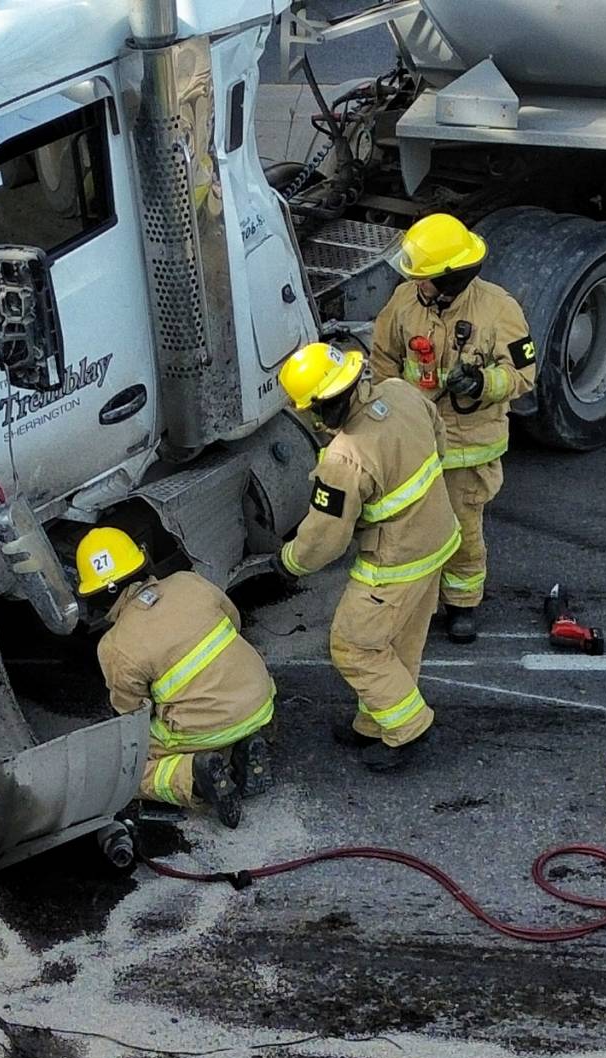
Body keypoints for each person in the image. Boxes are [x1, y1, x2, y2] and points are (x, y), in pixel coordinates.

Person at [273, 341, 459, 771]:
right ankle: (375, 724)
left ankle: (409, 728)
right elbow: (440, 442)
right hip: (438, 538)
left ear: (322, 405)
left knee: (353, 645)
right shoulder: (400, 392)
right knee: (398, 641)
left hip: (395, 560)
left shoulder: (344, 458)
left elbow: (325, 538)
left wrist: (289, 562)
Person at [368, 213, 536, 644]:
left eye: (425, 278)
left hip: (468, 449)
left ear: (451, 277)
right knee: (407, 529)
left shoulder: (500, 310)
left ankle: (463, 604)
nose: (416, 284)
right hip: (414, 442)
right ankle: (412, 602)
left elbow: (523, 375)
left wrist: (482, 383)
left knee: (462, 532)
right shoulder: (404, 303)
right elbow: (384, 360)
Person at [79, 525, 274, 824]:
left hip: (211, 724)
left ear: (97, 596)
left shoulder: (114, 646)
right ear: (141, 563)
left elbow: (133, 715)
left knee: (125, 763)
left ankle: (194, 777)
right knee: (210, 714)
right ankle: (244, 747)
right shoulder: (189, 582)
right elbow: (234, 621)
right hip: (260, 699)